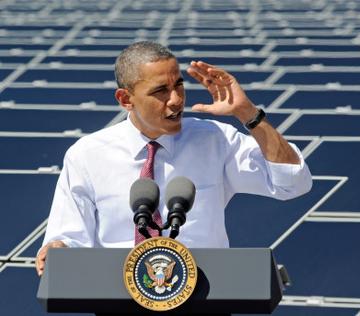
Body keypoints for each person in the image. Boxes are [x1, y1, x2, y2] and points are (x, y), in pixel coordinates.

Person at [35, 41, 312, 276]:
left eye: (178, 85)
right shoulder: (87, 155)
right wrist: (58, 249)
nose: (176, 99)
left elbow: (292, 183)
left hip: (207, 298)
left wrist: (248, 114)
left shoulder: (215, 139)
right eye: (160, 91)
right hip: (118, 298)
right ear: (125, 99)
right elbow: (67, 238)